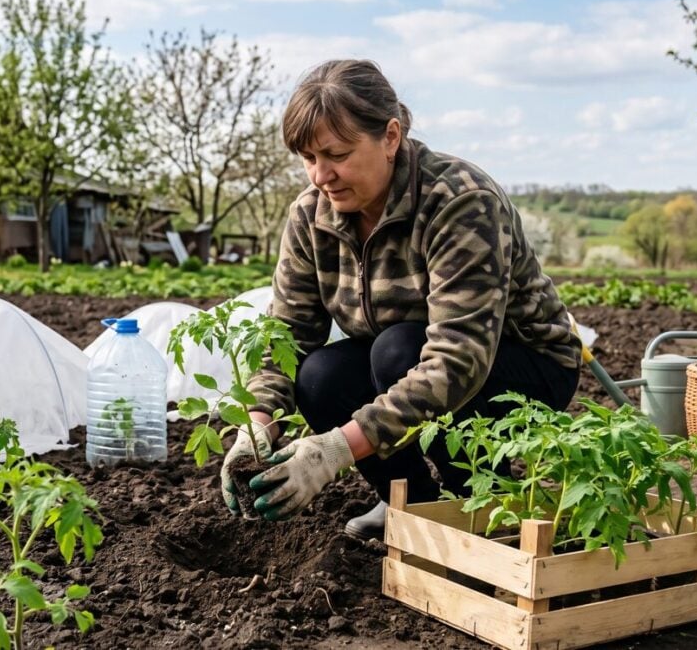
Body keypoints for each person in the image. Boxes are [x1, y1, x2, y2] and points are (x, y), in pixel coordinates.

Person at [222, 59, 582, 539]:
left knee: (397, 350)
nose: (321, 176)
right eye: (308, 158)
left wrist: (335, 450)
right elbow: (287, 338)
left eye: (337, 154)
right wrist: (257, 423)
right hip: (402, 357)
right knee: (319, 376)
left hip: (520, 366)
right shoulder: (311, 217)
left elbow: (458, 358)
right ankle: (409, 503)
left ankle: (482, 503)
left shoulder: (459, 200)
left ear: (390, 137)